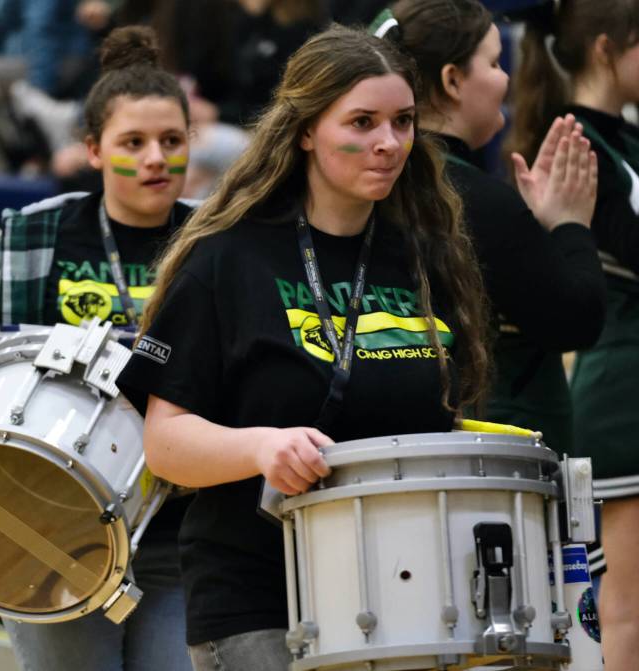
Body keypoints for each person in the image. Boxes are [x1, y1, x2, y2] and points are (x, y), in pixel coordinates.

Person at [116, 25, 491, 669]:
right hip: (261, 603)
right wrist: (261, 446)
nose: (388, 143)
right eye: (362, 122)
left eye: (402, 122)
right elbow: (166, 445)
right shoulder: (227, 259)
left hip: (409, 596)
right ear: (306, 130)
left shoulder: (426, 256)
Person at [0, 25, 194, 671]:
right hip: (48, 529)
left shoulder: (213, 243)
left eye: (171, 141)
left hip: (175, 530)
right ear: (93, 149)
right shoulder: (38, 233)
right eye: (133, 142)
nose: (155, 157)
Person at [507, 0, 639, 666]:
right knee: (630, 616)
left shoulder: (636, 136)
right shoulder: (577, 141)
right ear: (605, 48)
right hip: (628, 391)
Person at [388, 0, 603, 453]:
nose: (505, 77)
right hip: (504, 458)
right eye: (492, 62)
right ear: (453, 80)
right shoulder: (470, 197)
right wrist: (570, 224)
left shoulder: (393, 182)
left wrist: (531, 230)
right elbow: (576, 320)